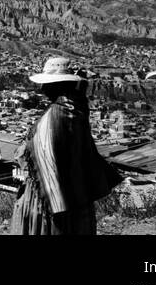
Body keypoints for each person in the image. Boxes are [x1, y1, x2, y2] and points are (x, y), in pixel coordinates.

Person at [10, 57, 122, 235]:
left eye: (48, 84)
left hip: (51, 197)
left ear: (57, 86)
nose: (43, 89)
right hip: (76, 189)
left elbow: (44, 156)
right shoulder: (76, 108)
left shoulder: (55, 116)